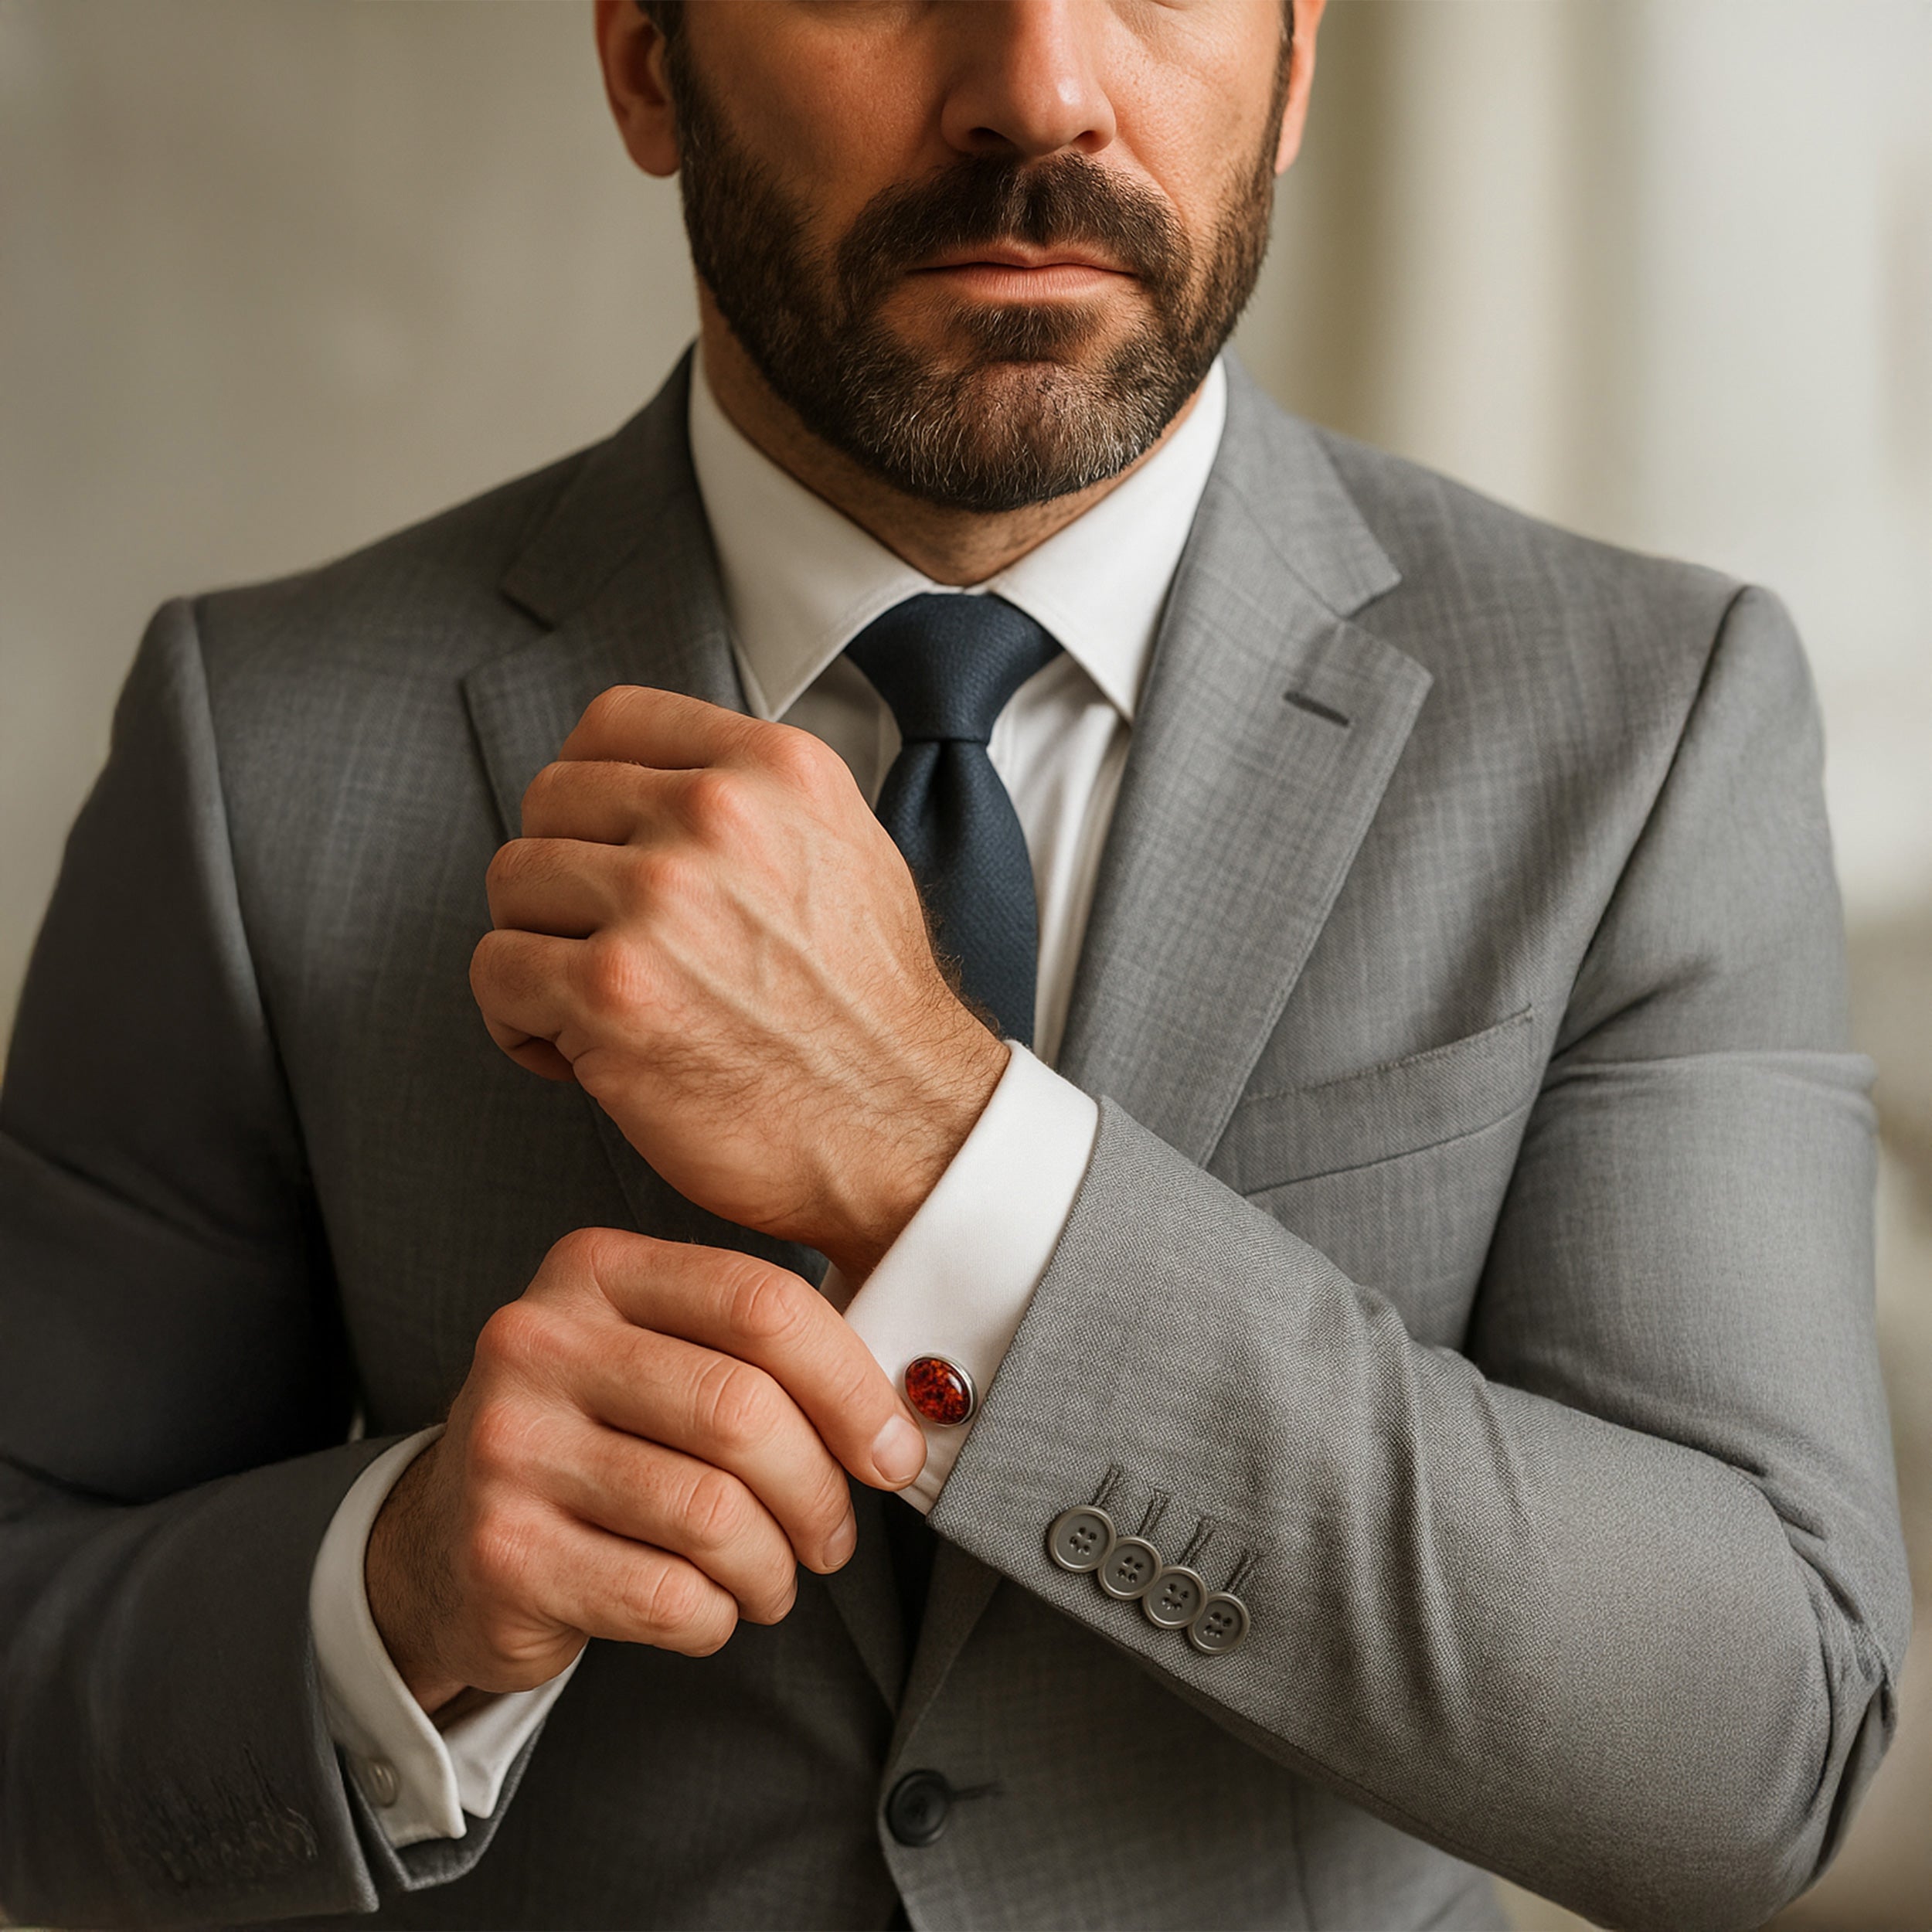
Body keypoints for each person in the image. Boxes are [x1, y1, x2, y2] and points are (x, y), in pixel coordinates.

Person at [0, 2, 1909, 1927]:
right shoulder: (254, 741)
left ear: (1294, 62)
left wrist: (939, 1148)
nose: (1039, 91)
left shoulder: (1648, 727)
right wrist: (391, 1592)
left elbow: (1759, 1744)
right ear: (649, 62)